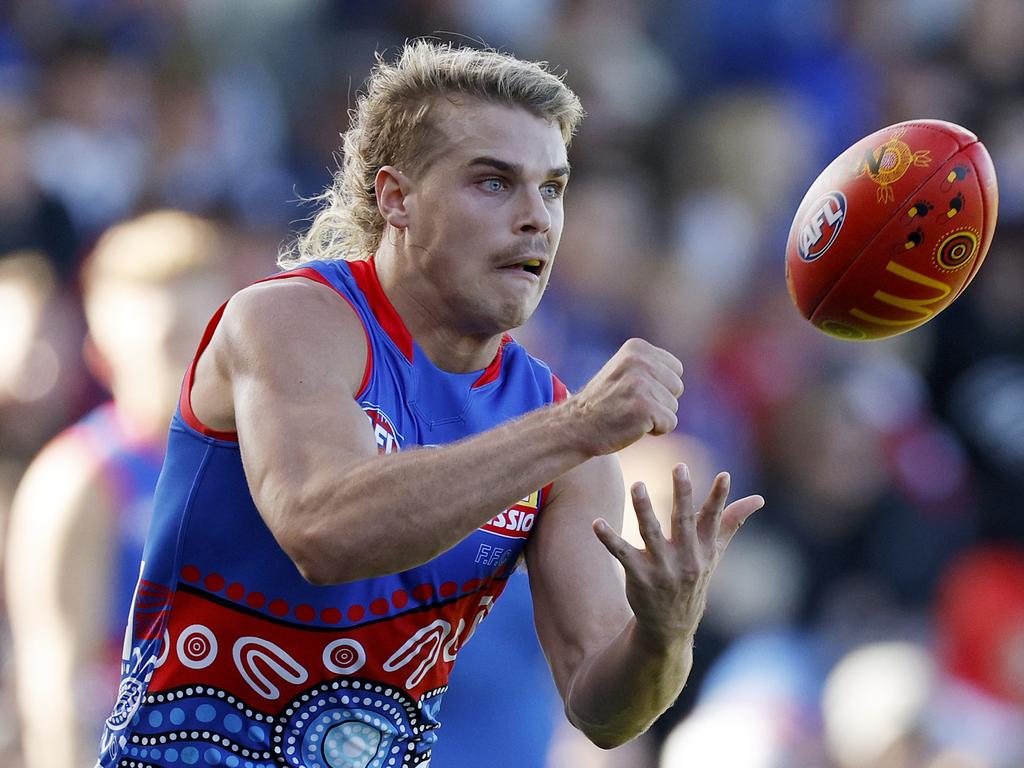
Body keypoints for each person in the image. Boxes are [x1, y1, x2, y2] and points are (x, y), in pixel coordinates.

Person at [97, 41, 764, 768]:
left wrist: (665, 633)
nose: (536, 218)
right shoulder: (290, 321)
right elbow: (323, 531)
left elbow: (602, 709)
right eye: (493, 183)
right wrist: (572, 431)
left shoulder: (554, 415)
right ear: (396, 198)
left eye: (552, 188)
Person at [5, 211, 231, 768]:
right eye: (169, 343)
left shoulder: (261, 463)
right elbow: (54, 695)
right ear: (103, 353)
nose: (192, 365)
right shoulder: (79, 481)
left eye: (203, 339)